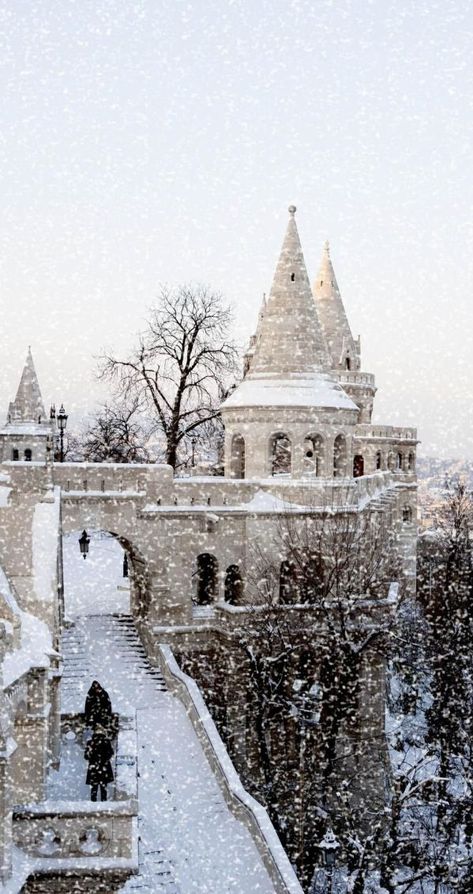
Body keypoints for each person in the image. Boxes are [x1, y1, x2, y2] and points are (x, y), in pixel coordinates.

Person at [84, 728, 114, 801]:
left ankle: (93, 801)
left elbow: (86, 756)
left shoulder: (90, 743)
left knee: (94, 787)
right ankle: (104, 801)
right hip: (104, 767)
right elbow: (110, 753)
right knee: (103, 787)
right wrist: (104, 759)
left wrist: (93, 759)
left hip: (93, 768)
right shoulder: (106, 742)